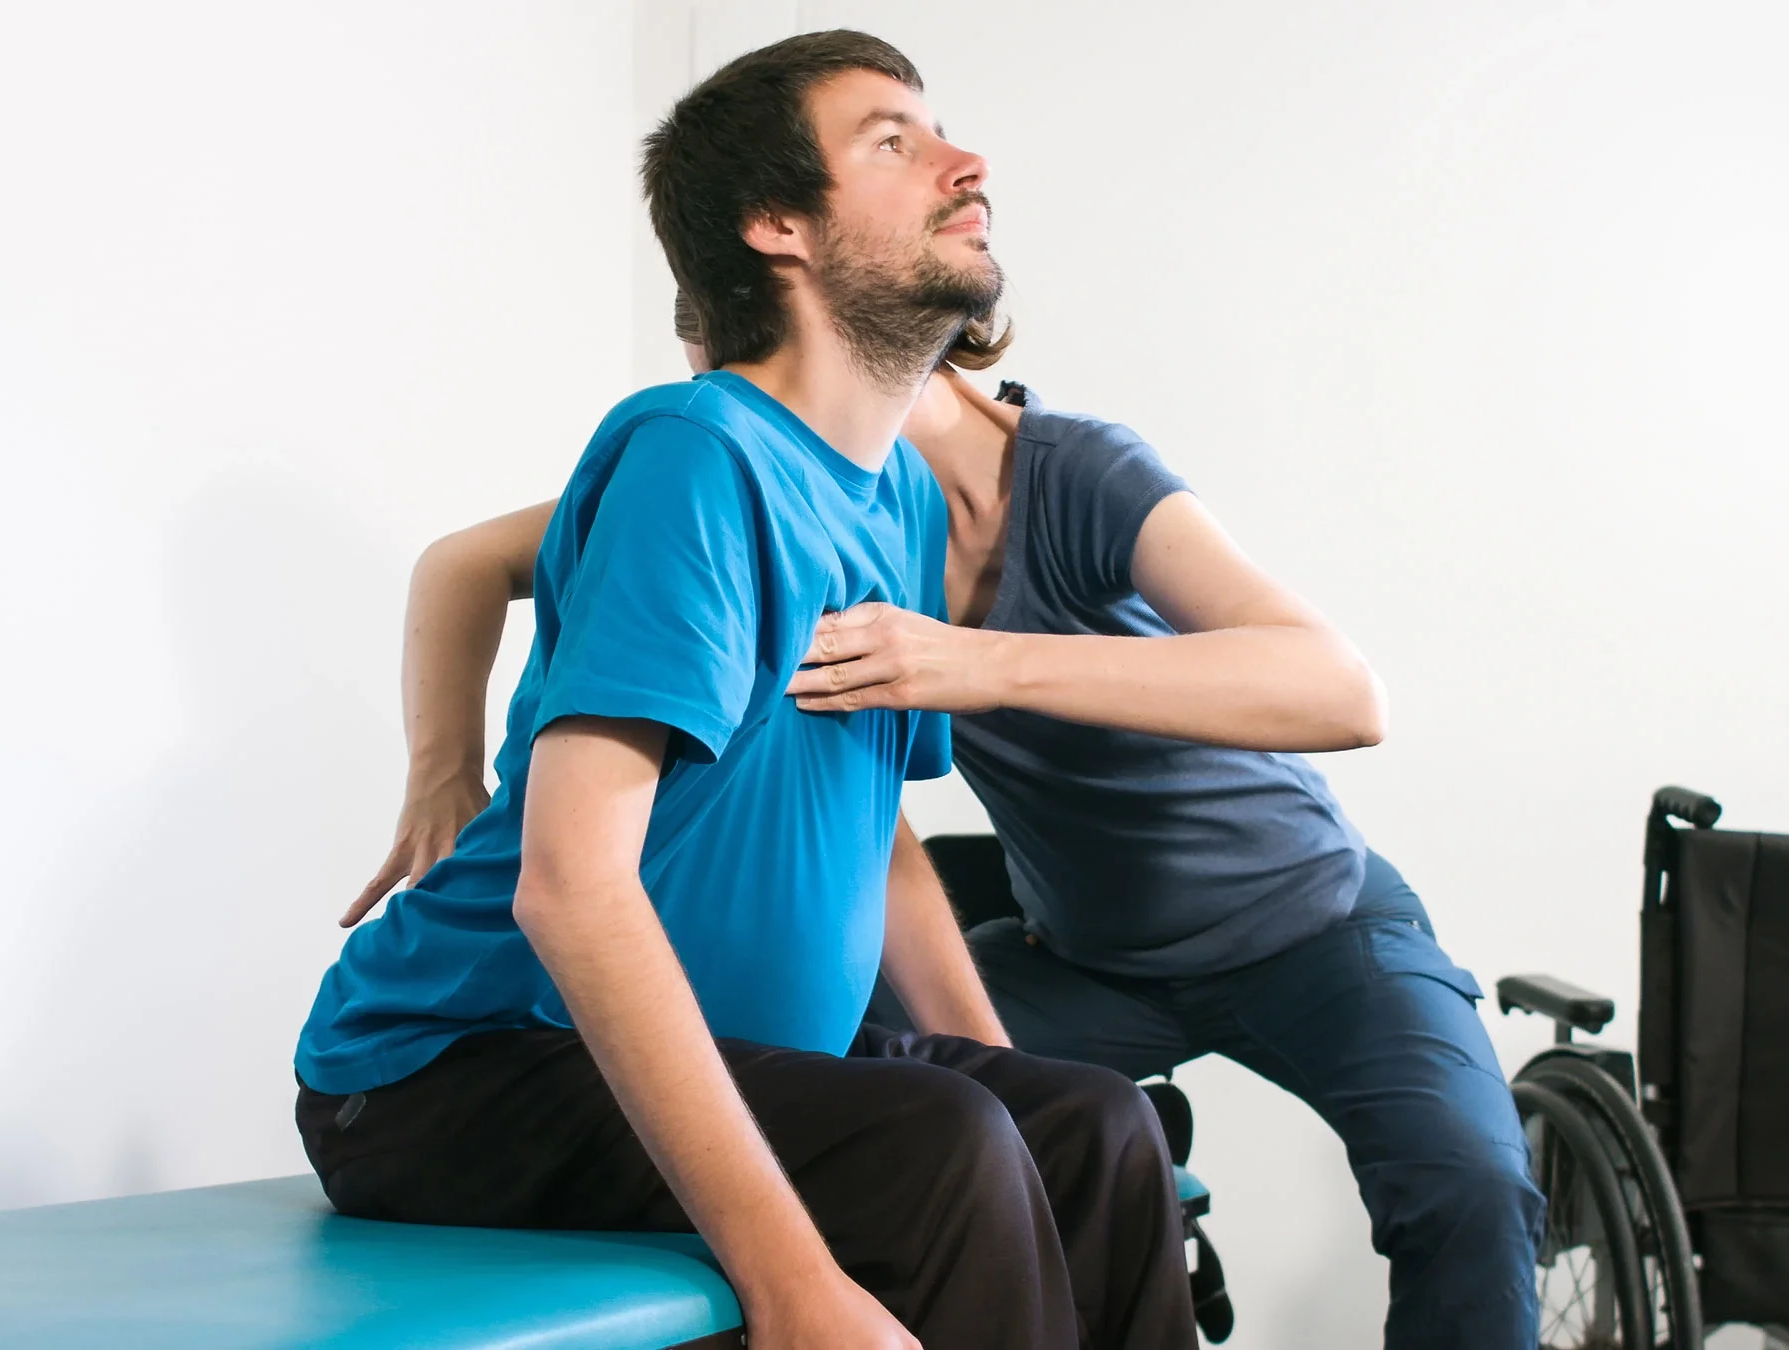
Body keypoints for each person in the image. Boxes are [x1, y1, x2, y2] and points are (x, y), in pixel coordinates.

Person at [356, 272, 1546, 1344]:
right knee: (1032, 1122)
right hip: (1089, 956)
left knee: (1465, 1184)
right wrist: (440, 768)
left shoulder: (1062, 477)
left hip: (1310, 921)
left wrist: (974, 662)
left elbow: (1342, 691)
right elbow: (468, 562)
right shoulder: (764, 477)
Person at [296, 31, 1196, 1350]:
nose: (966, 163)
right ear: (778, 224)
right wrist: (791, 1286)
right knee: (947, 1146)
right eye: (896, 141)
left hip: (743, 1054)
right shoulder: (696, 452)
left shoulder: (890, 489)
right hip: (448, 1071)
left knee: (1096, 1123)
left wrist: (1019, 1085)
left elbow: (871, 831)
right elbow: (571, 884)